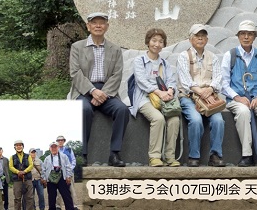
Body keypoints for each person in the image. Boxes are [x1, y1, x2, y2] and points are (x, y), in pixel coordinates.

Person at [69, 12, 129, 167]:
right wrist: (92, 91)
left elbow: (117, 74)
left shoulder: (115, 49)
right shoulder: (77, 47)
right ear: (88, 26)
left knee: (122, 110)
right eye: (94, 23)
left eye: (101, 23)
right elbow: (75, 73)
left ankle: (114, 153)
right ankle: (81, 154)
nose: (98, 26)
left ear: (107, 27)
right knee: (84, 110)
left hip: (107, 91)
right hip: (84, 90)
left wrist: (103, 93)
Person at [221, 20, 257, 167]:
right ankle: (246, 155)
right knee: (243, 112)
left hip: (256, 97)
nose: (246, 37)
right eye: (243, 34)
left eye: (250, 34)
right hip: (237, 98)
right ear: (238, 36)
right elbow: (223, 82)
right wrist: (237, 97)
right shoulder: (230, 55)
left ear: (254, 36)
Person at [176, 24, 226, 167]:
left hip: (210, 99)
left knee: (218, 121)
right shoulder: (183, 56)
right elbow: (185, 81)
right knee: (196, 120)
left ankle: (215, 155)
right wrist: (200, 92)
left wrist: (209, 89)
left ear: (207, 39)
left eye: (203, 36)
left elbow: (218, 78)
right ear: (190, 39)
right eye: (197, 36)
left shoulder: (213, 57)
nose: (200, 38)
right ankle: (194, 156)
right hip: (189, 97)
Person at [130, 28, 181, 167]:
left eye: (160, 41)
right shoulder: (139, 61)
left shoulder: (164, 63)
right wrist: (159, 92)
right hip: (144, 98)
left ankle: (170, 157)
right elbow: (141, 81)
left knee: (174, 120)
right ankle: (155, 156)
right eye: (154, 40)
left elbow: (171, 80)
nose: (157, 44)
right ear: (148, 42)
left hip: (164, 99)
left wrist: (170, 91)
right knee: (158, 119)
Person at [41, 142, 74, 210]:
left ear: (58, 147)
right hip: (51, 177)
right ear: (50, 149)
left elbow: (68, 167)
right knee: (51, 197)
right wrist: (44, 178)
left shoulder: (64, 156)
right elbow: (43, 169)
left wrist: (68, 176)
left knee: (66, 195)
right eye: (52, 147)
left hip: (62, 177)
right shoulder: (47, 158)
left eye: (55, 147)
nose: (54, 149)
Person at [9, 140, 35, 210]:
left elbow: (31, 165)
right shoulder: (12, 157)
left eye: (20, 145)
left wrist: (24, 171)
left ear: (23, 146)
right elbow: (11, 167)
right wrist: (18, 172)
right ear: (15, 147)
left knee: (29, 197)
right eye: (17, 145)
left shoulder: (28, 156)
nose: (19, 147)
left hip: (27, 179)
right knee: (17, 198)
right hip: (17, 180)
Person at [55, 136, 78, 210]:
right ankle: (58, 206)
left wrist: (69, 170)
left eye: (61, 140)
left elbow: (73, 160)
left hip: (69, 172)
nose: (60, 141)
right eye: (58, 140)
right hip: (59, 173)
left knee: (71, 189)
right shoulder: (55, 150)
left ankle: (74, 205)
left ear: (64, 141)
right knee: (58, 190)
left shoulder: (69, 149)